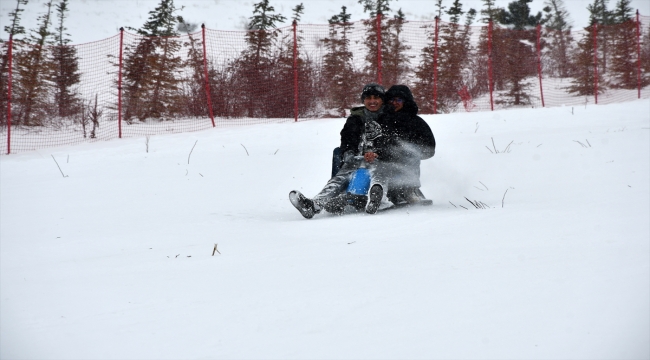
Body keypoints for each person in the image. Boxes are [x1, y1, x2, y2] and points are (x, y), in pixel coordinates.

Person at [289, 83, 388, 218]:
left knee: (378, 172)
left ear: (382, 100)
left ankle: (375, 198)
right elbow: (348, 138)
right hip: (359, 159)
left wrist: (379, 153)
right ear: (363, 100)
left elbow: (393, 141)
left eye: (376, 98)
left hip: (382, 159)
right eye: (368, 98)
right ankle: (314, 204)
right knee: (340, 178)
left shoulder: (390, 117)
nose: (372, 101)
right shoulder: (356, 118)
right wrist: (350, 153)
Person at [374, 85, 436, 205]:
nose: (394, 103)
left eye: (399, 100)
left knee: (410, 154)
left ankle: (409, 189)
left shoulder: (416, 122)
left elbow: (429, 147)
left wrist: (412, 151)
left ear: (405, 101)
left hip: (404, 164)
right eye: (391, 100)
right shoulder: (381, 120)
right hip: (381, 161)